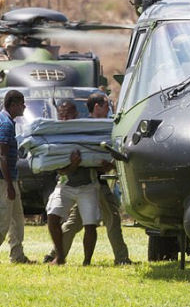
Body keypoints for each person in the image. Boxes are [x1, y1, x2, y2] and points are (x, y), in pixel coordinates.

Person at [61, 93, 132, 265]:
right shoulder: (88, 129)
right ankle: (122, 259)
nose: (108, 110)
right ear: (97, 107)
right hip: (92, 182)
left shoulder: (101, 128)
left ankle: (56, 253)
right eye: (106, 106)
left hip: (94, 182)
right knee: (112, 219)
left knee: (74, 223)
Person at [0, 90, 34, 264]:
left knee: (17, 219)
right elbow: (2, 156)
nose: (24, 107)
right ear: (12, 105)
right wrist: (9, 185)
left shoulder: (8, 122)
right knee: (1, 217)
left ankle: (17, 255)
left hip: (8, 177)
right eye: (21, 103)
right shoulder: (5, 124)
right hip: (0, 179)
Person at [45, 99, 100, 266]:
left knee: (90, 224)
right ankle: (60, 257)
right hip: (65, 185)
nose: (64, 118)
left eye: (68, 114)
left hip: (88, 185)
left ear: (75, 114)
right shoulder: (57, 135)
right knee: (53, 217)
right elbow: (60, 169)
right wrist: (74, 165)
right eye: (61, 115)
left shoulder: (84, 130)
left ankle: (87, 261)